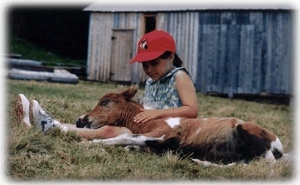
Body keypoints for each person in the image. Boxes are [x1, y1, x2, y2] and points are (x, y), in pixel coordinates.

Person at [14, 29, 198, 139]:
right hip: (149, 129)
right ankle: (50, 124)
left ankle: (53, 127)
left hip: (171, 133)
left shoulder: (179, 76)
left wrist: (157, 113)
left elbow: (192, 111)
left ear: (171, 56)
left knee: (110, 131)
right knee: (109, 128)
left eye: (154, 62)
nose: (149, 69)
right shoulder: (152, 81)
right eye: (144, 64)